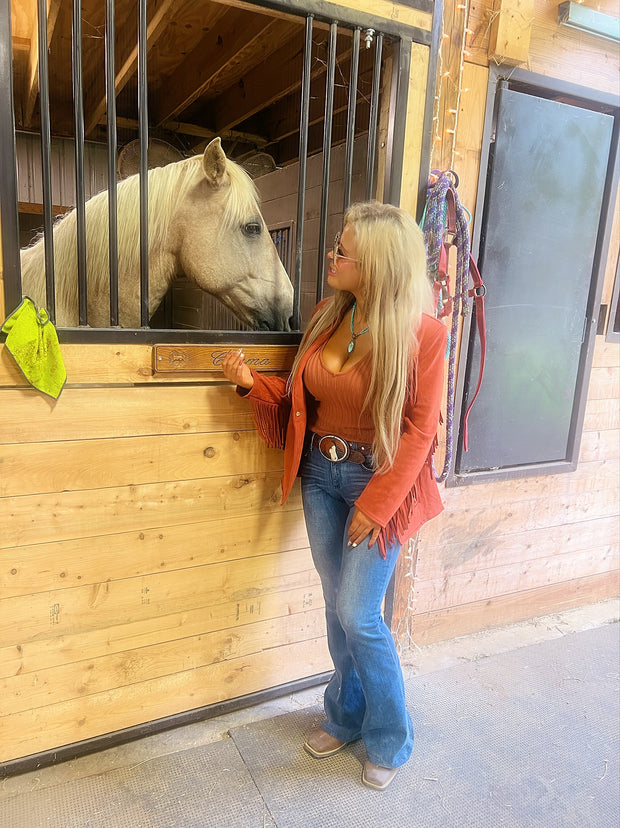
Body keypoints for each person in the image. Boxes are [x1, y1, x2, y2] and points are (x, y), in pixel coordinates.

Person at [221, 200, 447, 791]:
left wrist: (377, 505)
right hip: (321, 474)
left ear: (375, 263)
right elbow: (306, 395)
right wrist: (253, 385)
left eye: (343, 251)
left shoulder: (425, 334)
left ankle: (389, 736)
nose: (332, 255)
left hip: (380, 484)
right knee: (334, 607)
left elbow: (423, 429)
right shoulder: (327, 314)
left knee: (358, 614)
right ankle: (344, 716)